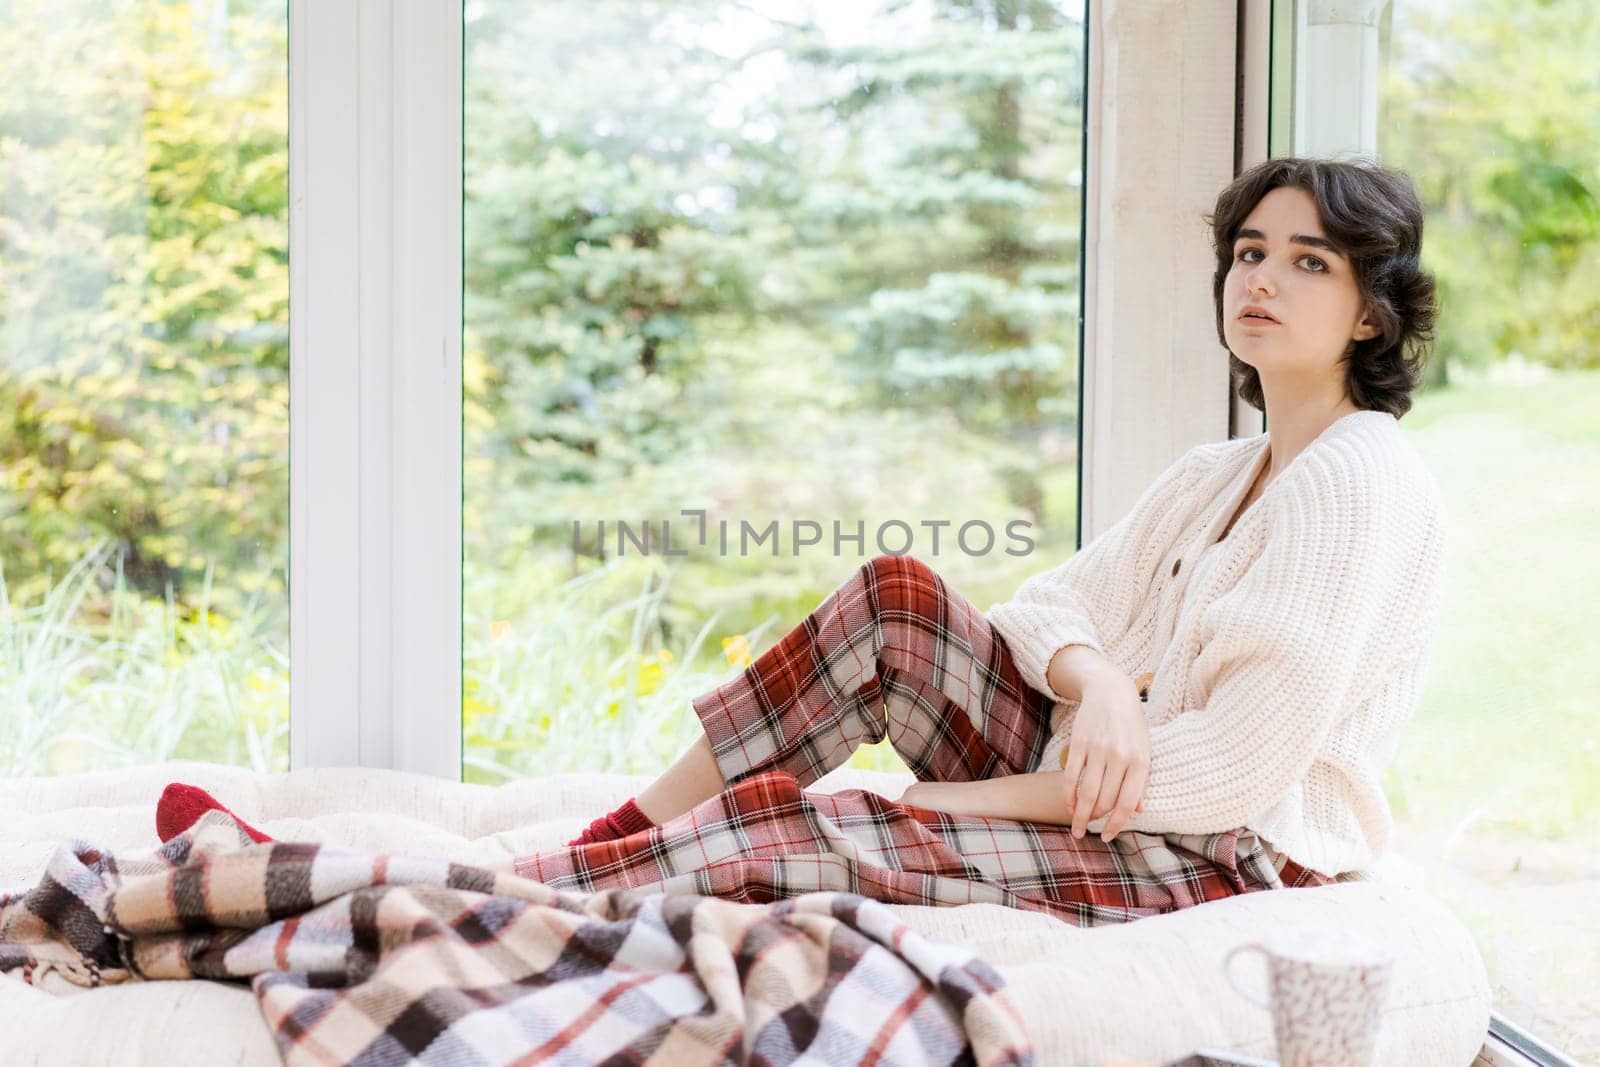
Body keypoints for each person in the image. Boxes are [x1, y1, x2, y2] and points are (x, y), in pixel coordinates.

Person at [155, 156, 1448, 926]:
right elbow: (1045, 612)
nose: (1261, 280)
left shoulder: (1355, 481)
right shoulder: (1217, 473)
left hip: (1219, 861)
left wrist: (924, 802)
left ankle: (431, 888)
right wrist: (1099, 681)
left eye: (1311, 263)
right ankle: (607, 838)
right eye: (1250, 252)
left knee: (804, 831)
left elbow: (1223, 775)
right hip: (1099, 781)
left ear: (1375, 315)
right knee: (898, 599)